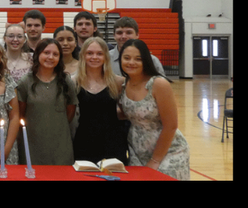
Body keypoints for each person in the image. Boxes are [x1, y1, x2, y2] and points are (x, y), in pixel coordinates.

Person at [118, 39, 190, 180]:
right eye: (127, 58)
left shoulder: (158, 84)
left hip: (168, 150)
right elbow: (129, 114)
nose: (131, 62)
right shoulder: (123, 84)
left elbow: (171, 126)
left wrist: (155, 160)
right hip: (137, 150)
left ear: (146, 60)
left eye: (138, 59)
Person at [15, 39, 78, 165]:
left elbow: (70, 113)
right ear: (38, 54)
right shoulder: (25, 82)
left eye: (55, 54)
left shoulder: (66, 82)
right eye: (46, 53)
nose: (50, 57)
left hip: (60, 145)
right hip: (32, 144)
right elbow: (20, 115)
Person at [73, 37, 129, 164]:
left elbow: (126, 112)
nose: (94, 57)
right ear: (83, 56)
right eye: (90, 53)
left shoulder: (118, 82)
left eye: (99, 53)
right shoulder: (74, 82)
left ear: (106, 57)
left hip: (113, 141)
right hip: (84, 140)